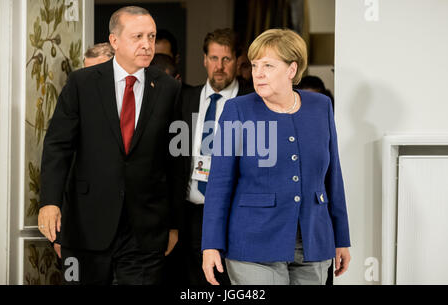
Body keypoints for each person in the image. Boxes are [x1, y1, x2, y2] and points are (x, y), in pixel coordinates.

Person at [38, 6, 182, 285]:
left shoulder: (169, 88)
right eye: (137, 36)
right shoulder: (82, 83)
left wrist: (174, 224)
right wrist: (50, 202)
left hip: (145, 229)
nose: (147, 44)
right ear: (114, 41)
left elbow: (176, 159)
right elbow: (58, 146)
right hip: (85, 226)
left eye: (151, 37)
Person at [201, 28, 351, 285]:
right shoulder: (237, 110)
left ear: (292, 70)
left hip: (313, 243)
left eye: (268, 65)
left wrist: (341, 238)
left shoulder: (321, 107)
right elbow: (220, 184)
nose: (258, 73)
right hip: (253, 246)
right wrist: (211, 245)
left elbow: (332, 176)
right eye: (255, 64)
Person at [178, 28, 253, 285]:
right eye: (213, 58)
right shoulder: (184, 99)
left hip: (234, 216)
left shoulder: (252, 101)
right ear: (204, 60)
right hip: (190, 217)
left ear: (237, 61)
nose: (219, 67)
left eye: (226, 59)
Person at [52, 42, 117, 260]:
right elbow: (61, 164)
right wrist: (60, 234)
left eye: (95, 72)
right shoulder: (74, 104)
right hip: (81, 228)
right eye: (85, 71)